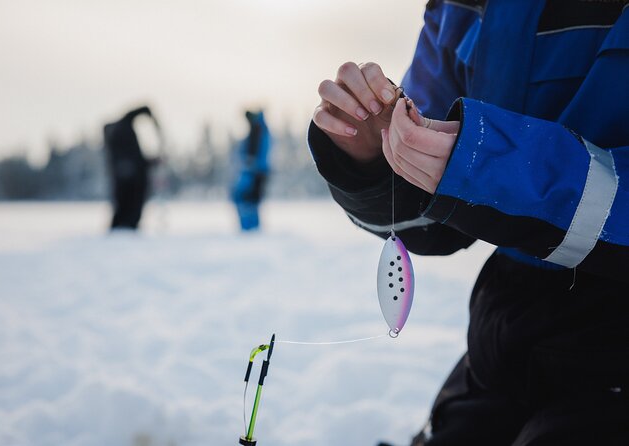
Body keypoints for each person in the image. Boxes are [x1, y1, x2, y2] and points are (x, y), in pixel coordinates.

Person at [308, 1, 629, 445]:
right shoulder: (458, 6)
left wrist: (493, 167)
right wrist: (374, 158)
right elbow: (439, 217)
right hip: (504, 343)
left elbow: (472, 170)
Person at [103, 105, 162, 230]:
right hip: (131, 180)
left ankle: (123, 226)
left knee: (124, 206)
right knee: (129, 206)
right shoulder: (123, 131)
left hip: (125, 179)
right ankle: (126, 226)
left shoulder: (119, 130)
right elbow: (134, 158)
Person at [231, 109, 271, 231]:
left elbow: (252, 155)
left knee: (245, 199)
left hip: (253, 172)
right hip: (259, 172)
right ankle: (252, 228)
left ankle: (249, 228)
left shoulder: (257, 129)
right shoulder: (263, 129)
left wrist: (248, 163)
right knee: (250, 200)